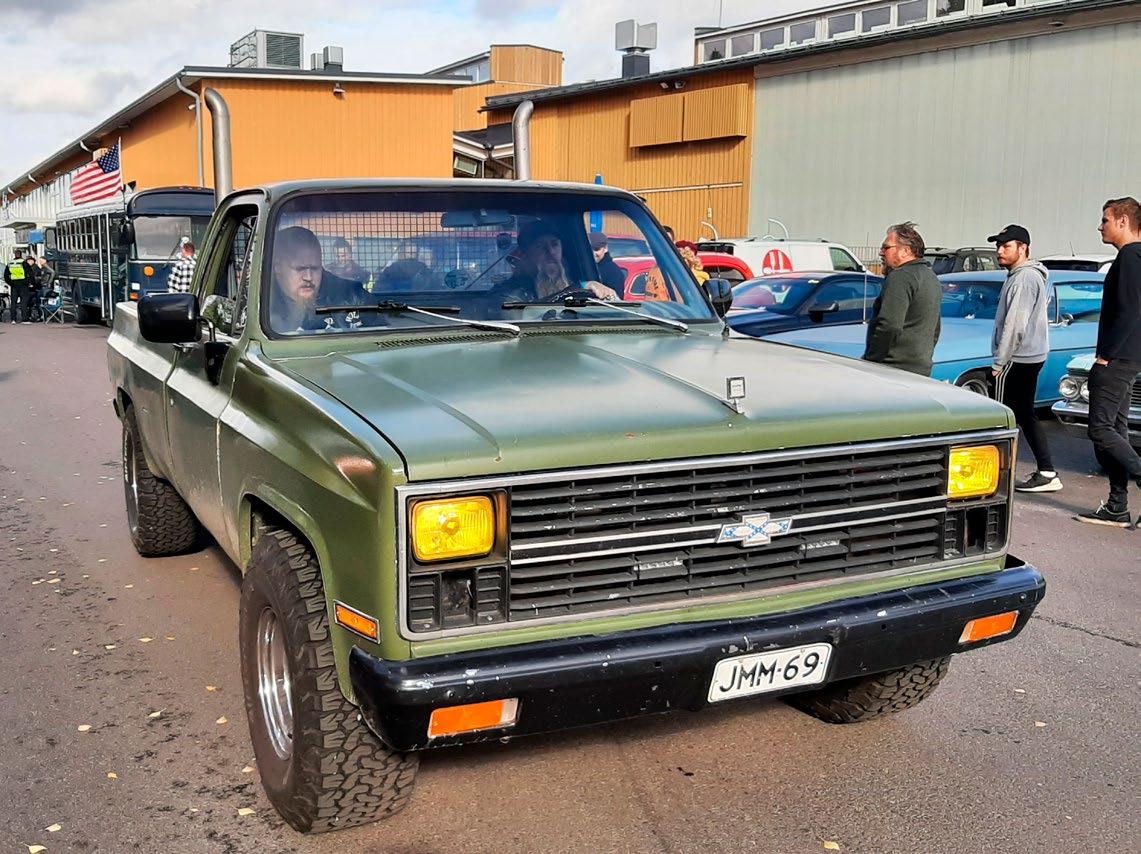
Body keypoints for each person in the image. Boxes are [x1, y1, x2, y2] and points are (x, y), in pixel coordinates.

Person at [1075, 196, 1141, 528]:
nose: (1100, 226)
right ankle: (1117, 506)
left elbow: (1130, 310)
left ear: (1123, 221)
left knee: (1101, 430)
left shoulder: (1130, 257)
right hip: (1127, 358)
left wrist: (1107, 355)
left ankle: (1122, 498)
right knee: (1116, 429)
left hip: (1118, 359)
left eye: (1105, 220)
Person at [986, 224, 1059, 492]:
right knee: (1025, 415)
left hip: (1017, 358)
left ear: (1023, 248)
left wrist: (999, 362)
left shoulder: (1024, 278)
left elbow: (1015, 325)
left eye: (1006, 246)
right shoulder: (1022, 275)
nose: (999, 251)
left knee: (1000, 416)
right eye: (998, 246)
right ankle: (1047, 471)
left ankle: (995, 476)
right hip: (1028, 355)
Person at [863, 221, 941, 376]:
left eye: (886, 248)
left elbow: (889, 325)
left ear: (906, 251)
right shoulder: (931, 277)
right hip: (920, 370)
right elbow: (935, 328)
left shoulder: (901, 276)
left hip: (892, 370)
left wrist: (871, 360)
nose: (881, 253)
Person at [493, 219, 617, 303]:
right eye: (540, 246)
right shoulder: (508, 293)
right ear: (525, 254)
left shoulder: (578, 285)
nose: (551, 252)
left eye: (555, 244)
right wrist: (575, 290)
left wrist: (592, 288)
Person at [4, 250, 29, 323]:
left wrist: (10, 283)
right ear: (21, 255)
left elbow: (6, 275)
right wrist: (29, 283)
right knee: (23, 302)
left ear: (14, 255)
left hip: (14, 285)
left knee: (13, 302)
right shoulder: (23, 262)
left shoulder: (10, 263)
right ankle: (24, 319)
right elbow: (30, 273)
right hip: (23, 284)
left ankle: (13, 319)